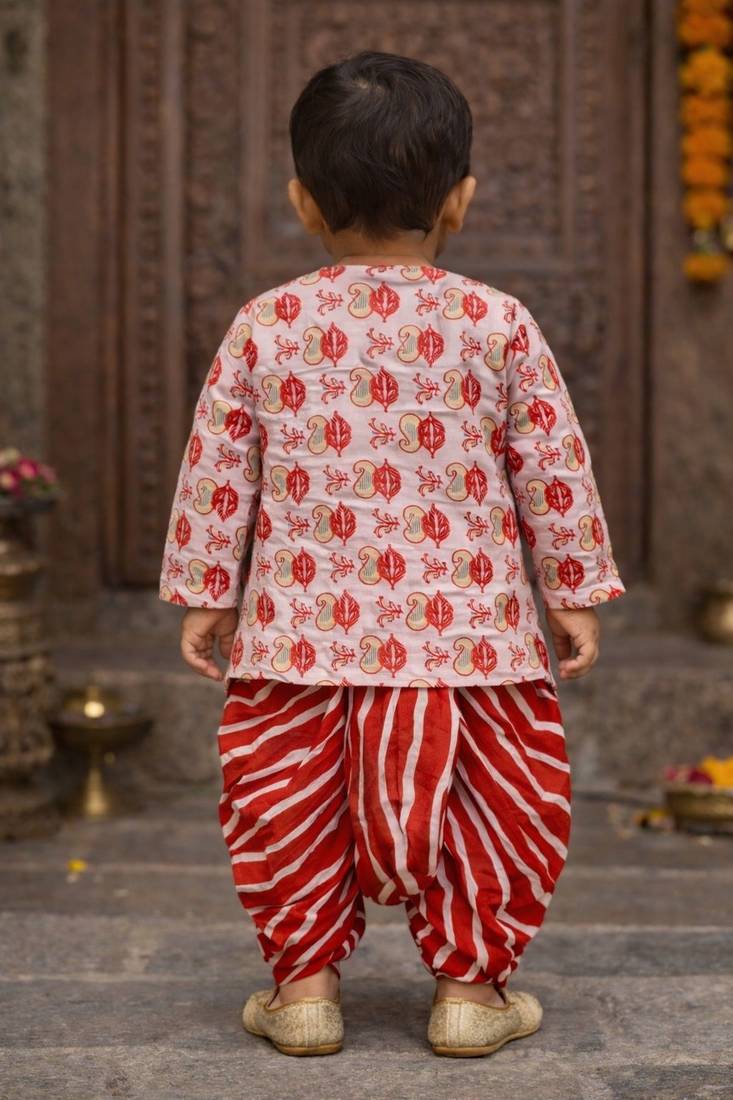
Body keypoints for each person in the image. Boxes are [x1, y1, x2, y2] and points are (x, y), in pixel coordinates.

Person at [159, 50, 626, 1058]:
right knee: (491, 814)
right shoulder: (497, 322)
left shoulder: (266, 324)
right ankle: (469, 993)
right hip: (473, 644)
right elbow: (551, 463)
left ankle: (302, 991)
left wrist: (206, 589)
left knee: (288, 812)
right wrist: (572, 587)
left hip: (298, 641)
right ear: (460, 199)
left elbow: (217, 469)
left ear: (300, 200)